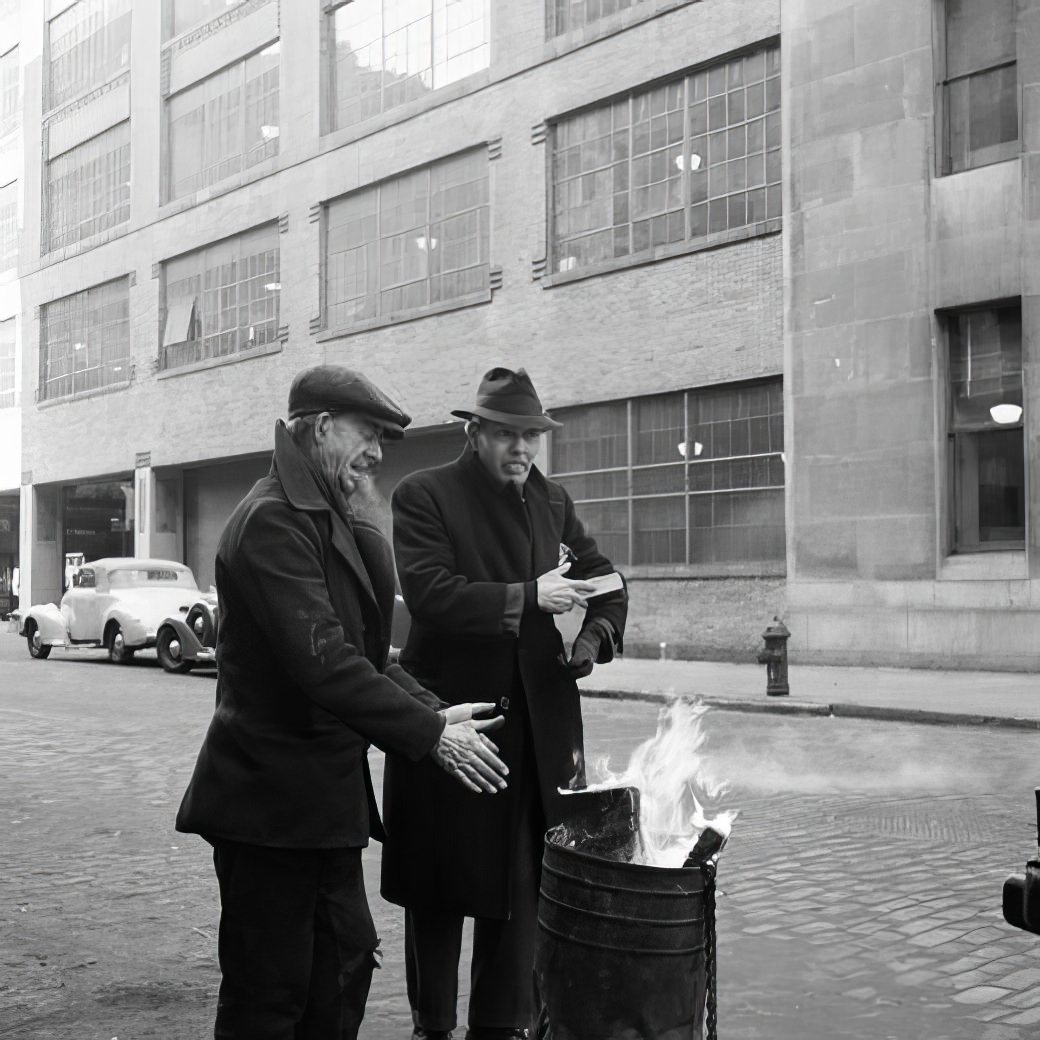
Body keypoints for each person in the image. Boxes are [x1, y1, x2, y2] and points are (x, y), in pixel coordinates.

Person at [175, 365, 509, 1040]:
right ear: (322, 427)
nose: (379, 454)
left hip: (320, 810)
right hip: (268, 812)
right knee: (269, 999)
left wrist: (431, 708)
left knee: (345, 967)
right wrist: (428, 735)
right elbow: (322, 661)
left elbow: (363, 651)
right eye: (369, 435)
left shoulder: (324, 514)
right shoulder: (273, 521)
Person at [380, 367, 628, 1040]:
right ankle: (433, 1026)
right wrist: (528, 597)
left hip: (539, 735)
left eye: (532, 438)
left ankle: (501, 1030)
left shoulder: (553, 502)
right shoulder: (423, 494)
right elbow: (430, 592)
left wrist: (596, 634)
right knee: (439, 889)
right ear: (475, 432)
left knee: (519, 898)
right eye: (508, 436)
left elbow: (605, 579)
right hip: (455, 722)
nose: (522, 450)